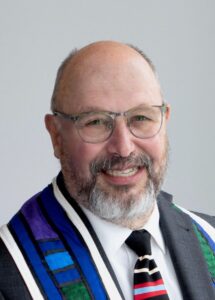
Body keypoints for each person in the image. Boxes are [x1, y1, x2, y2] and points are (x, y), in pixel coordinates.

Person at [0, 41, 214, 300]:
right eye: (97, 122)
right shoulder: (10, 272)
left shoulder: (211, 238)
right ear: (56, 135)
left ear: (164, 121)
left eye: (141, 118)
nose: (123, 149)